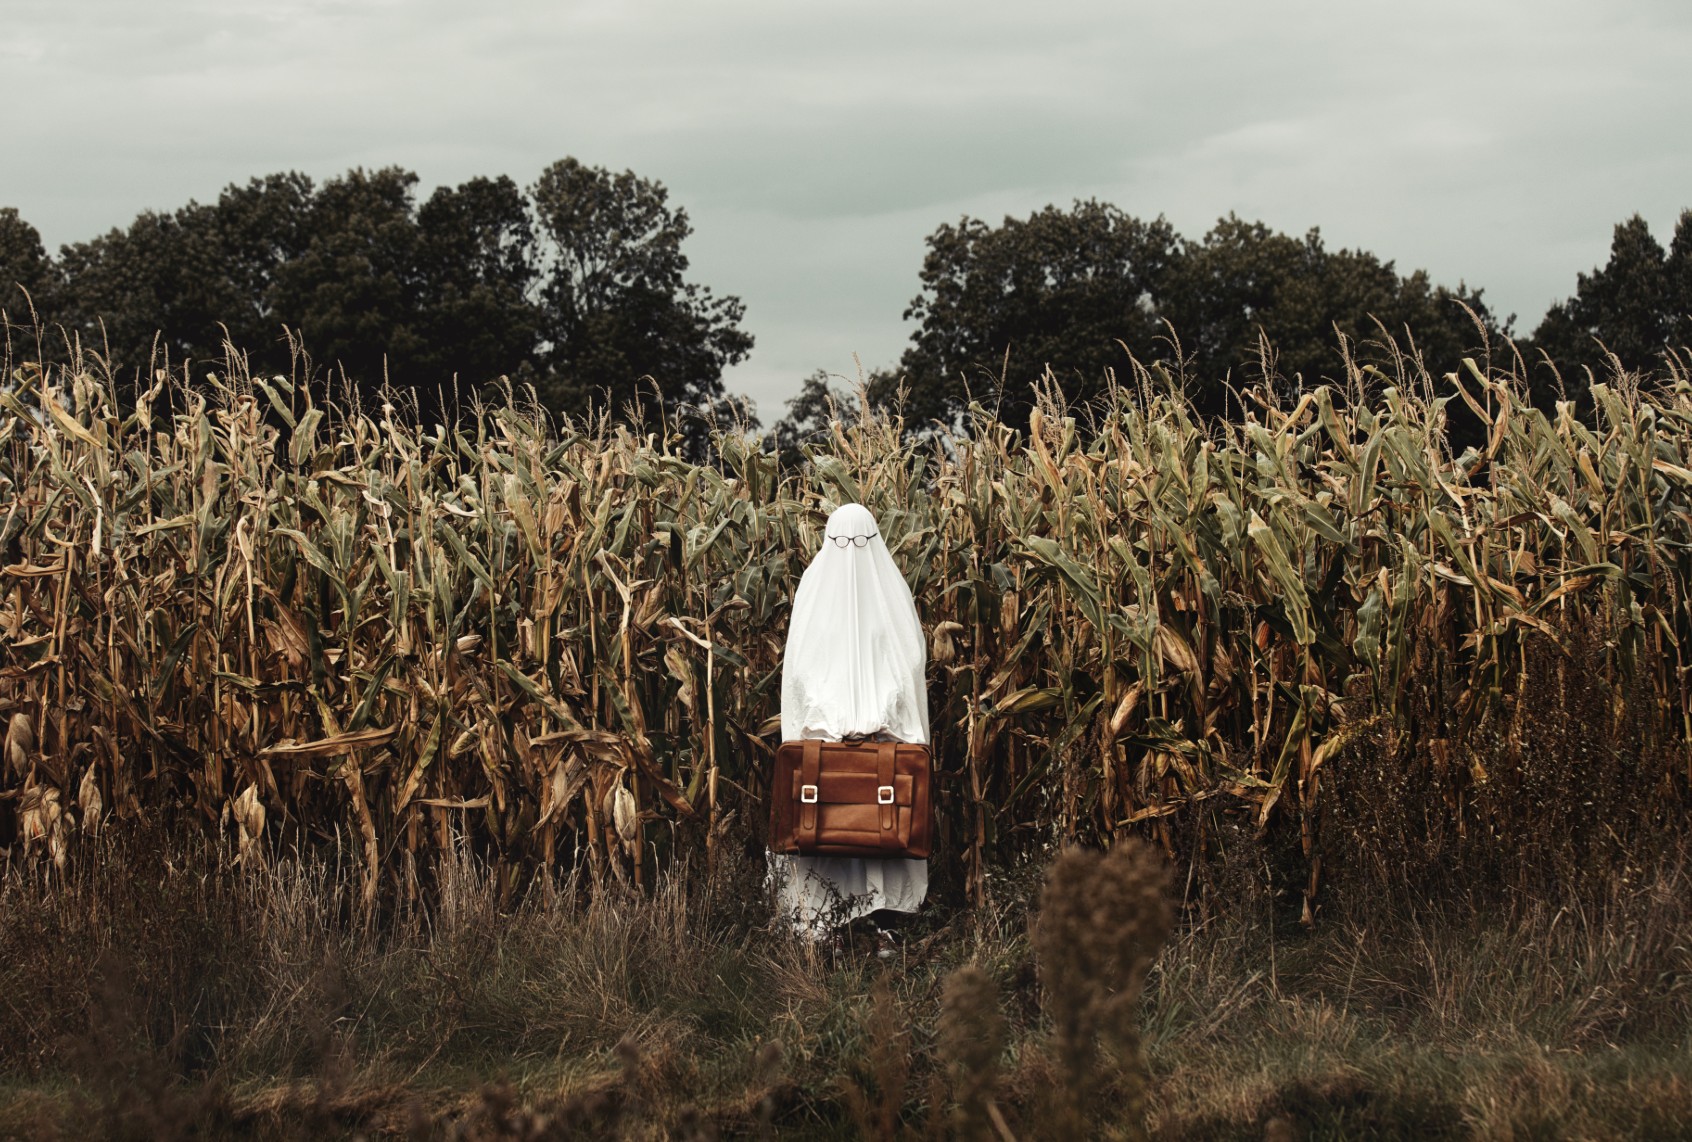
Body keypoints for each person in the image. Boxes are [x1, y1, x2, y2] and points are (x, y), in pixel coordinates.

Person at [769, 502, 930, 945]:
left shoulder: (883, 599)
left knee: (857, 826)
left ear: (873, 540)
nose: (850, 551)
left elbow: (907, 666)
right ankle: (832, 927)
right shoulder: (823, 595)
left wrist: (877, 719)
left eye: (858, 541)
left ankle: (878, 922)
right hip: (839, 744)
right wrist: (836, 724)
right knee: (840, 826)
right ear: (828, 542)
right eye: (841, 542)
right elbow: (801, 672)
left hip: (878, 743)